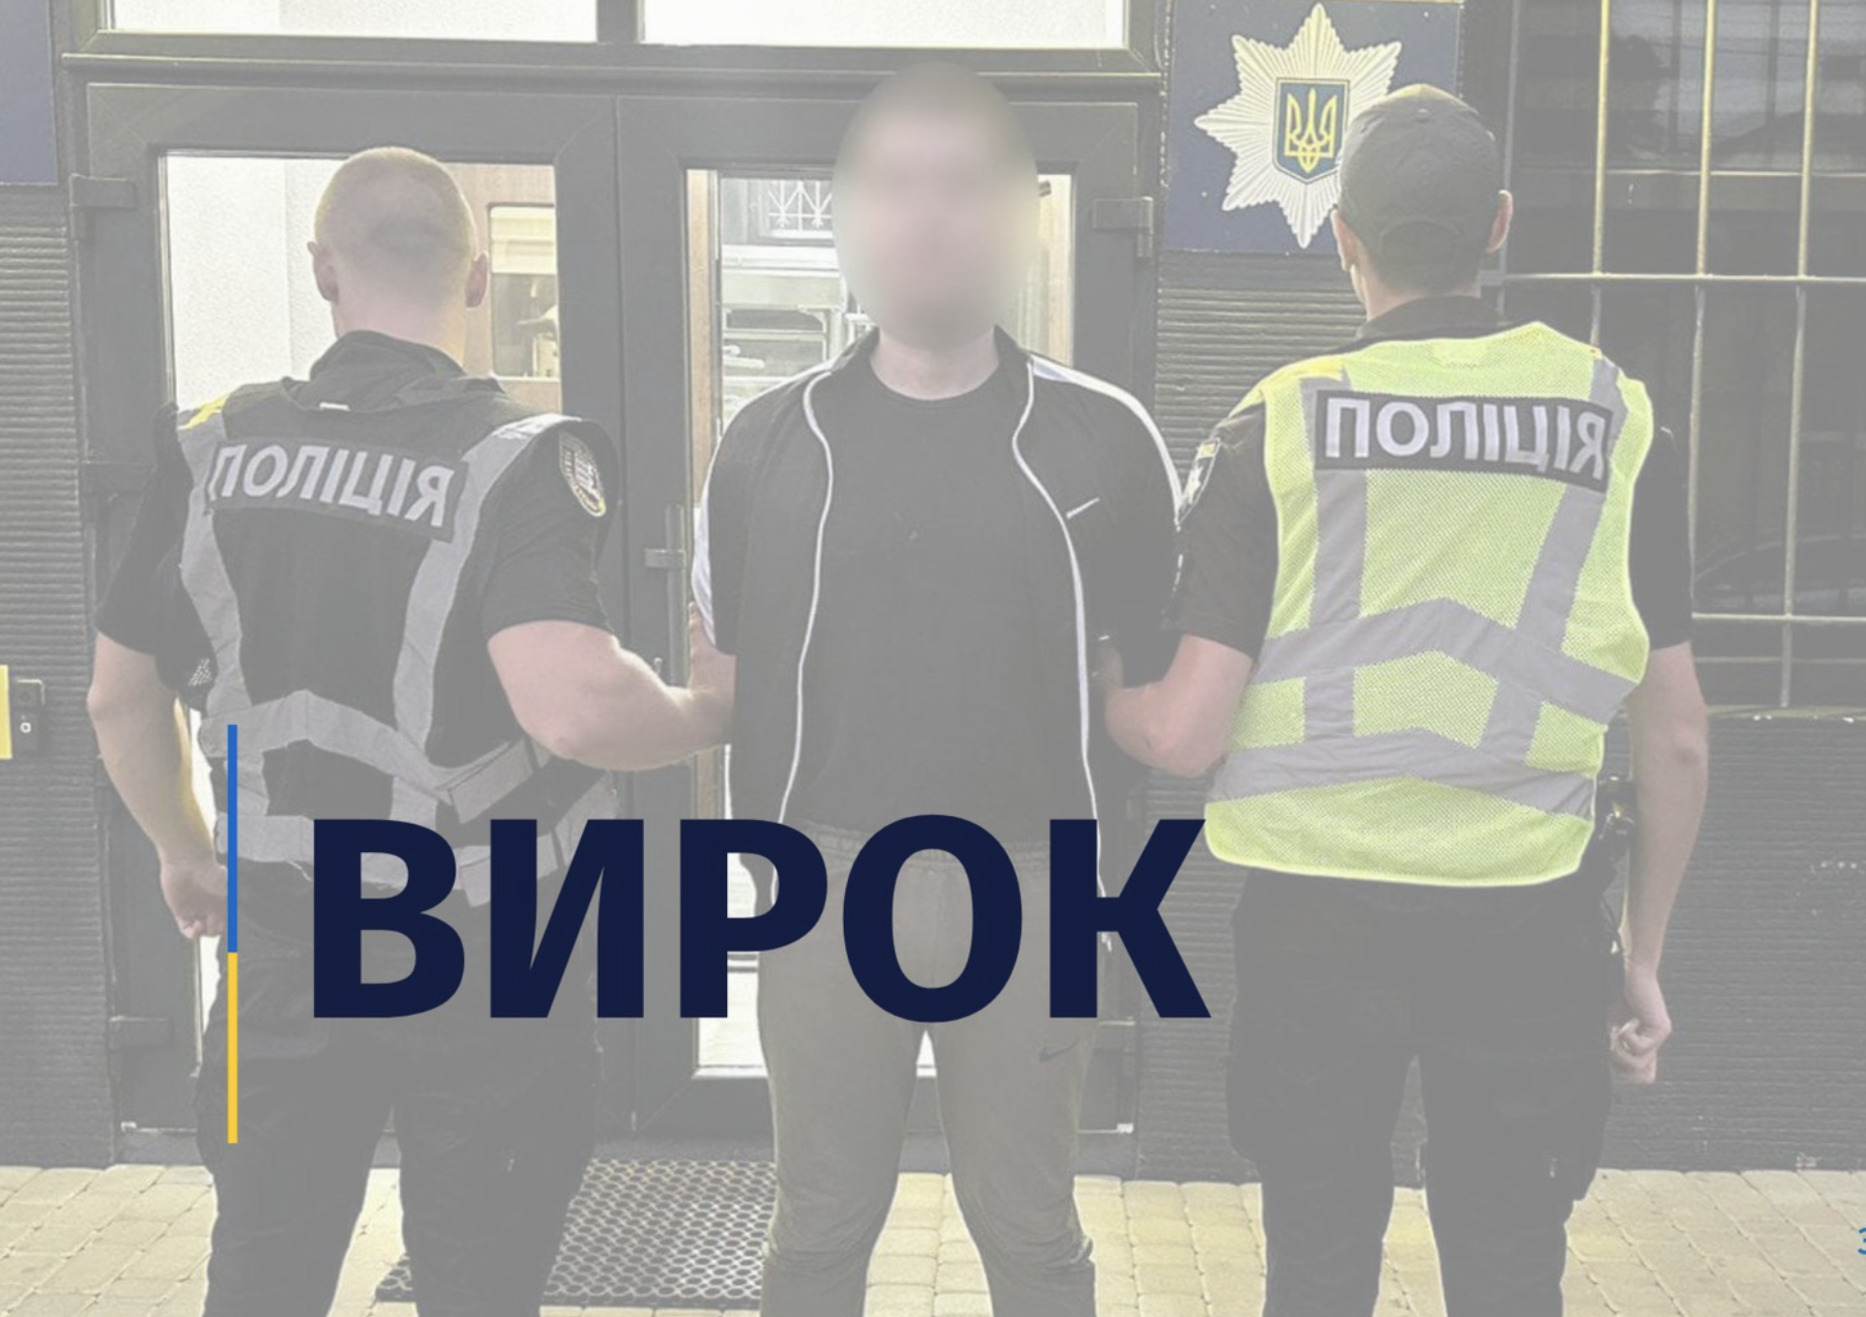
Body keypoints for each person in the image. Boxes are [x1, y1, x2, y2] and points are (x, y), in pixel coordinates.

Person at [86, 146, 731, 1317]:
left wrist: (185, 854)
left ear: (323, 268)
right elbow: (573, 704)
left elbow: (116, 699)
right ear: (476, 277)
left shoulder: (210, 448)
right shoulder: (519, 459)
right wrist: (704, 712)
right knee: (481, 1276)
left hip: (279, 947)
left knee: (263, 1268)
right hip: (484, 955)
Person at [1100, 86, 1710, 1317]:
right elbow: (1679, 737)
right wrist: (1640, 959)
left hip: (1316, 926)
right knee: (1510, 1262)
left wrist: (1104, 680)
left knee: (1319, 1262)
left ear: (1343, 237)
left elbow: (1185, 733)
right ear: (1499, 225)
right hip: (1528, 919)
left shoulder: (1277, 426)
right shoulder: (1612, 418)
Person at [692, 64, 1179, 1317]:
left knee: (1031, 1228)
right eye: (895, 184)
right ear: (847, 215)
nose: (927, 215)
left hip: (1036, 883)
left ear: (1021, 216)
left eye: (963, 185)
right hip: (821, 882)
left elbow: (1149, 683)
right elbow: (724, 682)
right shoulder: (766, 443)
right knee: (817, 1226)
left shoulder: (1105, 438)